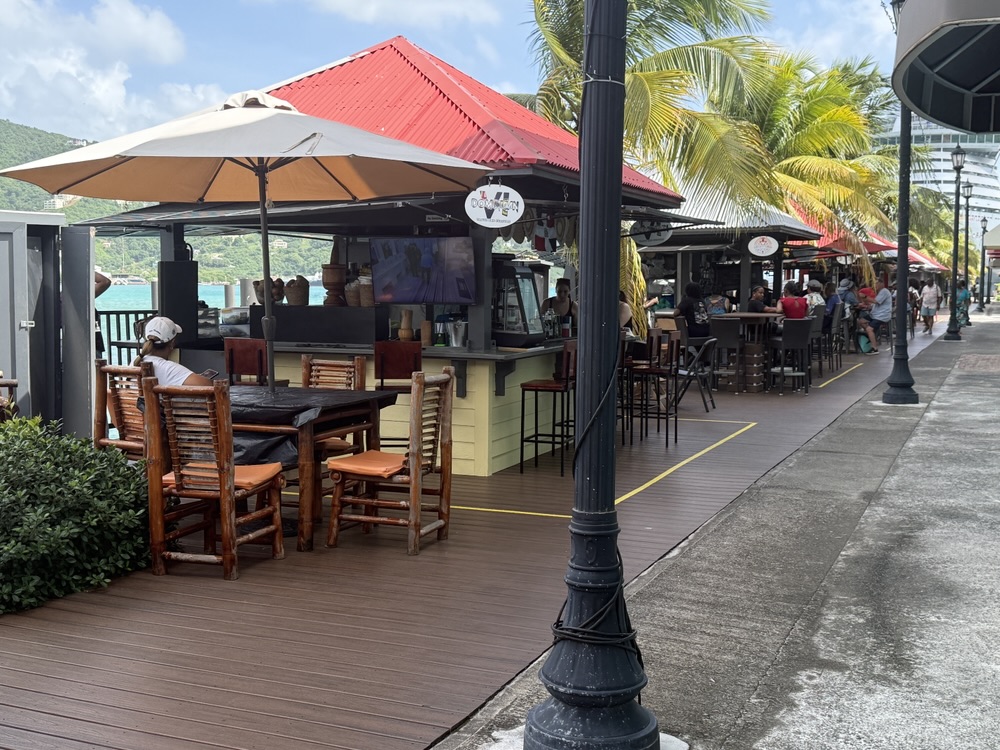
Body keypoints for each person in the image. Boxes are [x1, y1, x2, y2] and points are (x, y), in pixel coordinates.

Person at [134, 316, 214, 386]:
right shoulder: (169, 369)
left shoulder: (135, 362)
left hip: (133, 403)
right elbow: (208, 385)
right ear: (172, 343)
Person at [95, 272, 111, 358]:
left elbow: (104, 282)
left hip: (93, 344)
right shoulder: (79, 297)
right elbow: (104, 282)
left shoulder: (61, 298)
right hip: (92, 344)